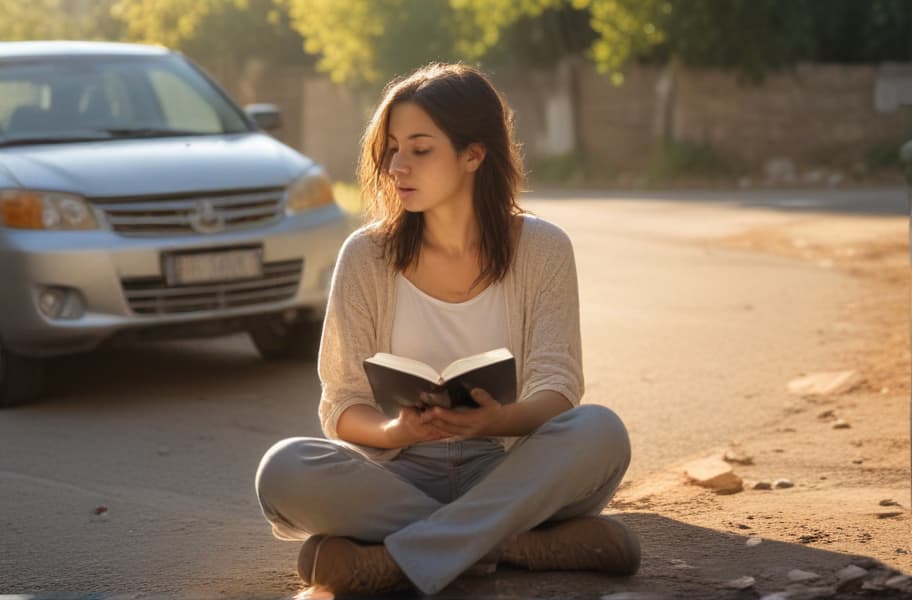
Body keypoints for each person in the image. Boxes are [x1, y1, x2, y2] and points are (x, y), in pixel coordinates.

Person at [255, 62, 639, 596]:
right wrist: (396, 432)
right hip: (397, 473)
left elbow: (559, 388)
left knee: (601, 432)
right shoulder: (366, 256)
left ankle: (390, 561)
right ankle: (515, 546)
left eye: (419, 148)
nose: (396, 166)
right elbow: (341, 405)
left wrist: (496, 421)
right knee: (284, 470)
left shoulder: (544, 248)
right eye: (391, 148)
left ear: (473, 155)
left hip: (506, 468)